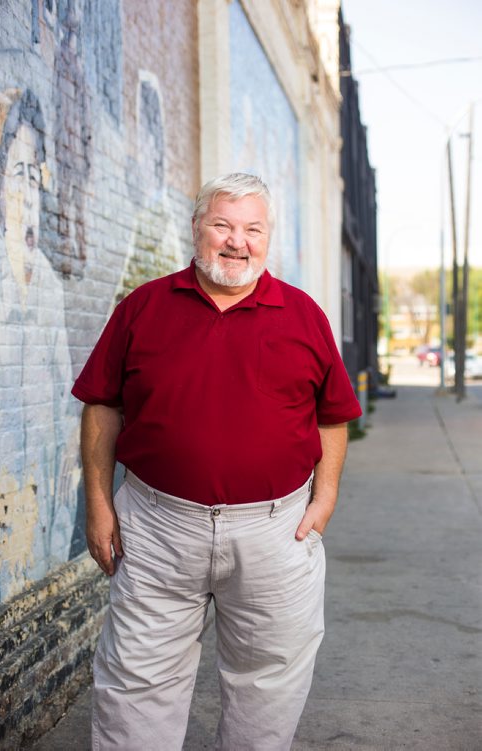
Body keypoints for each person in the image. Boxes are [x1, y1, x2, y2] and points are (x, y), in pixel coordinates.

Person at [72, 173, 362, 750]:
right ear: (198, 229)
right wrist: (100, 505)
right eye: (223, 225)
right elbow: (102, 407)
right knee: (135, 684)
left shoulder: (303, 316)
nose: (238, 242)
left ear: (267, 238)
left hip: (275, 530)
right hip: (156, 526)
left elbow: (333, 416)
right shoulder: (143, 308)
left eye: (253, 229)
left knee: (268, 687)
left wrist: (324, 497)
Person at [0, 88, 79, 609]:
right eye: (16, 173)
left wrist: (67, 435)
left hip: (39, 482)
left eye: (34, 175)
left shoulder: (47, 283)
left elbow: (66, 392)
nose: (27, 191)